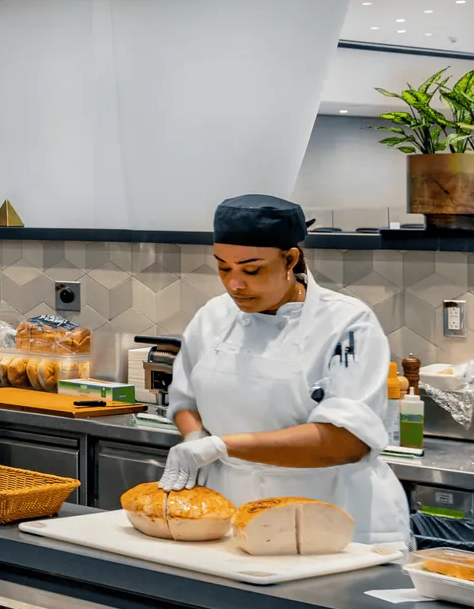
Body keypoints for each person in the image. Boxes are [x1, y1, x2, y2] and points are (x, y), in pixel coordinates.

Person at [158, 193, 411, 547]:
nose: (234, 284)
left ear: (290, 259)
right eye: (222, 268)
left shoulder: (348, 324)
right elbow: (186, 401)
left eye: (251, 269)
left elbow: (345, 442)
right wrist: (194, 438)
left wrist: (222, 446)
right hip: (233, 515)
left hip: (332, 519)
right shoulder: (213, 317)